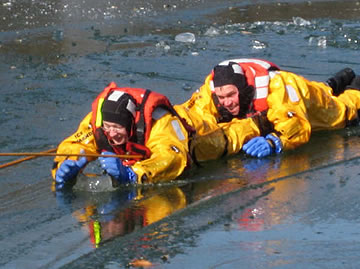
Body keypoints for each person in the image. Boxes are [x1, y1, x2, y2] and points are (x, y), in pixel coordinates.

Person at [176, 58, 360, 159]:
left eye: (231, 95)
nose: (227, 102)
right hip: (302, 92)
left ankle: (353, 87)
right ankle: (335, 82)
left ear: (243, 90)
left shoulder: (277, 87)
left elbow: (296, 126)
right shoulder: (213, 88)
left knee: (344, 110)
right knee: (323, 88)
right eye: (221, 97)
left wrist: (273, 142)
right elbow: (193, 114)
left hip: (310, 102)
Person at [52, 82, 192, 190]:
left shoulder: (160, 122)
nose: (111, 133)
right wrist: (67, 163)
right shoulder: (99, 123)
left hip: (197, 133)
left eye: (117, 127)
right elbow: (77, 143)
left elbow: (171, 157)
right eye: (108, 127)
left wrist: (133, 174)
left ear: (131, 124)